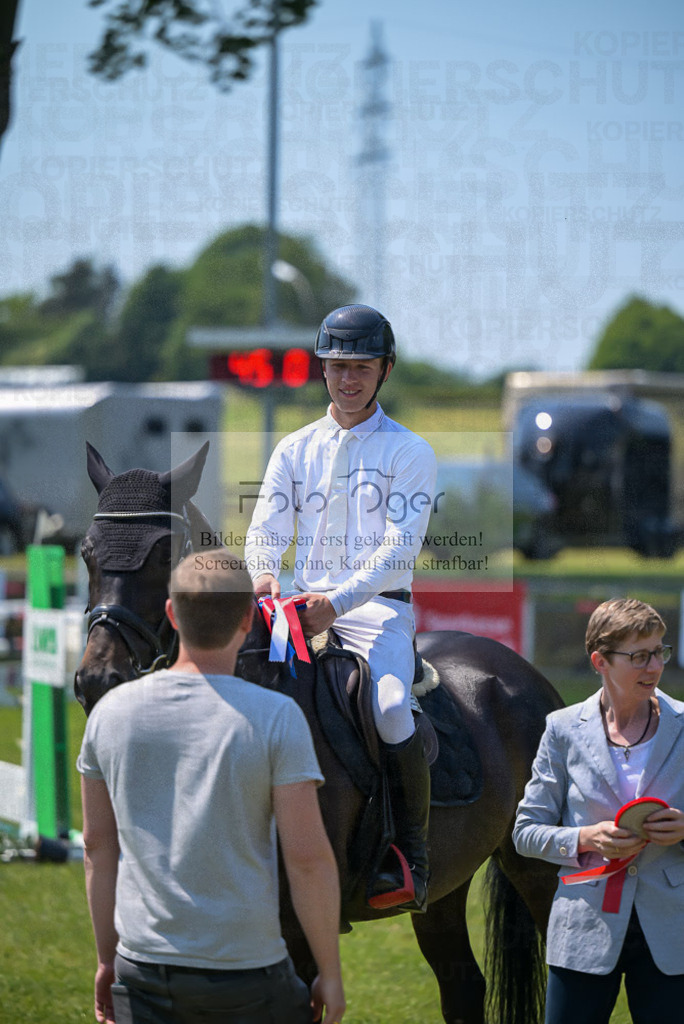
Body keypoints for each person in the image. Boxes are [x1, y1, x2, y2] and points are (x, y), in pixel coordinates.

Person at [78, 549, 346, 1024]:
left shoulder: (109, 714)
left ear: (170, 614)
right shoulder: (278, 718)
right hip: (249, 974)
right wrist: (328, 970)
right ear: (249, 619)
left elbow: (98, 847)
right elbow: (307, 861)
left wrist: (105, 959)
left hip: (142, 970)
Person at [244, 304, 437, 912]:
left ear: (384, 370)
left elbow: (397, 547)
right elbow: (265, 530)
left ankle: (408, 853)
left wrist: (338, 602)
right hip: (294, 610)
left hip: (379, 611)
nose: (346, 379)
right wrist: (264, 581)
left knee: (386, 709)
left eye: (360, 367)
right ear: (321, 370)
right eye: (335, 367)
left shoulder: (411, 452)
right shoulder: (293, 448)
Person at [513, 597, 684, 1024]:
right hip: (583, 928)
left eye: (660, 652)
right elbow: (525, 831)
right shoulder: (562, 729)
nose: (654, 667)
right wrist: (587, 838)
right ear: (599, 660)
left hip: (671, 930)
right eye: (639, 656)